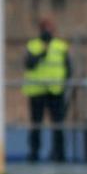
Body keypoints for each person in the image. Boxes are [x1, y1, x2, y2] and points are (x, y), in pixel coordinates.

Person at [23, 17, 71, 163]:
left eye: (50, 29)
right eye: (45, 29)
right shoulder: (33, 45)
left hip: (55, 90)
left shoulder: (60, 46)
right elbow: (29, 64)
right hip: (37, 90)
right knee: (36, 124)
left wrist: (65, 84)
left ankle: (59, 153)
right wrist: (42, 52)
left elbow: (68, 68)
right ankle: (34, 153)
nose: (48, 32)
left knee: (58, 124)